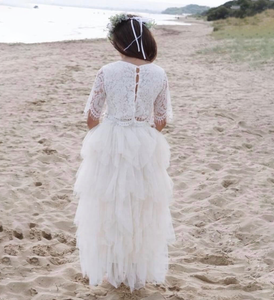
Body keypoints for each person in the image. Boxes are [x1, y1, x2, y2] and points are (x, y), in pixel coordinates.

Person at [73, 13, 176, 292]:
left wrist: (101, 136)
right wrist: (144, 136)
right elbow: (162, 118)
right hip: (145, 142)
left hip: (111, 140)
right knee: (141, 206)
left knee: (109, 204)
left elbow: (92, 116)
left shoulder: (107, 71)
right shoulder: (159, 73)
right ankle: (135, 270)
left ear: (120, 43)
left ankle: (113, 269)